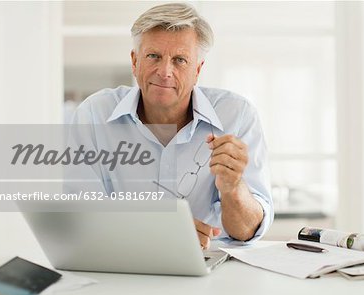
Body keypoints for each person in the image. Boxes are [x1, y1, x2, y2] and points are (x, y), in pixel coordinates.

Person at [70, 3, 273, 249]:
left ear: (197, 70)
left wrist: (233, 188)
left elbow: (247, 231)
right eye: (153, 56)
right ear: (135, 62)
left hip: (213, 271)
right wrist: (162, 232)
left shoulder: (237, 115)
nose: (165, 72)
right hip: (123, 265)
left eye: (180, 60)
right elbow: (79, 218)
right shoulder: (94, 114)